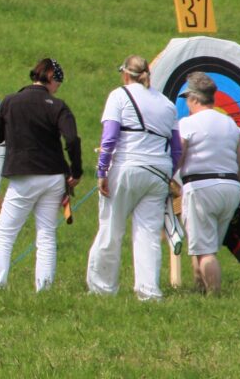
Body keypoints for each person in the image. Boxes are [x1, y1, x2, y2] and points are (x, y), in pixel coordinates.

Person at [0, 58, 83, 291]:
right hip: (54, 177)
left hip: (23, 176)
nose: (58, 87)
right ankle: (44, 288)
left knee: (5, 234)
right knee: (46, 235)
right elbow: (71, 139)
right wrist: (76, 171)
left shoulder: (10, 101)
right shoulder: (57, 106)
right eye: (58, 82)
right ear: (50, 79)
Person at [87, 55, 180, 300]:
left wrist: (102, 171)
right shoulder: (167, 104)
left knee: (111, 228)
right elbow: (177, 148)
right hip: (158, 172)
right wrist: (168, 174)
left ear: (126, 74)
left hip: (126, 168)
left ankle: (102, 289)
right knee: (148, 234)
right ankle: (148, 292)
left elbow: (109, 137)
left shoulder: (119, 95)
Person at [176, 72, 240, 294]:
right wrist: (238, 194)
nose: (187, 103)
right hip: (231, 187)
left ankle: (214, 297)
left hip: (201, 188)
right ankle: (199, 291)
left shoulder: (188, 123)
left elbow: (179, 155)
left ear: (195, 99)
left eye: (188, 99)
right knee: (201, 243)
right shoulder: (231, 125)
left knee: (206, 251)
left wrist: (168, 179)